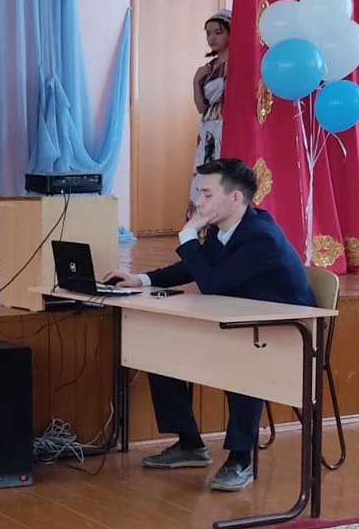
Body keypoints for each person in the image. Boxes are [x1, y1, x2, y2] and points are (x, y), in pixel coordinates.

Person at [104, 157, 314, 494]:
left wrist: (188, 235)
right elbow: (198, 266)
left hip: (287, 335)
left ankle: (241, 459)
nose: (199, 203)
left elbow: (212, 282)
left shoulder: (261, 236)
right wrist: (141, 279)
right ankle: (190, 444)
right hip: (243, 324)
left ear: (235, 198)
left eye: (206, 194)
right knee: (159, 352)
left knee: (242, 362)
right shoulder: (225, 229)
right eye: (199, 193)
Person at [189, 10, 230, 211]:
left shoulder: (241, 64)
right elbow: (201, 107)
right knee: (205, 170)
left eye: (218, 32)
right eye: (208, 33)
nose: (212, 38)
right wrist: (195, 82)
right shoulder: (208, 68)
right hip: (208, 127)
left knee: (225, 175)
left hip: (228, 125)